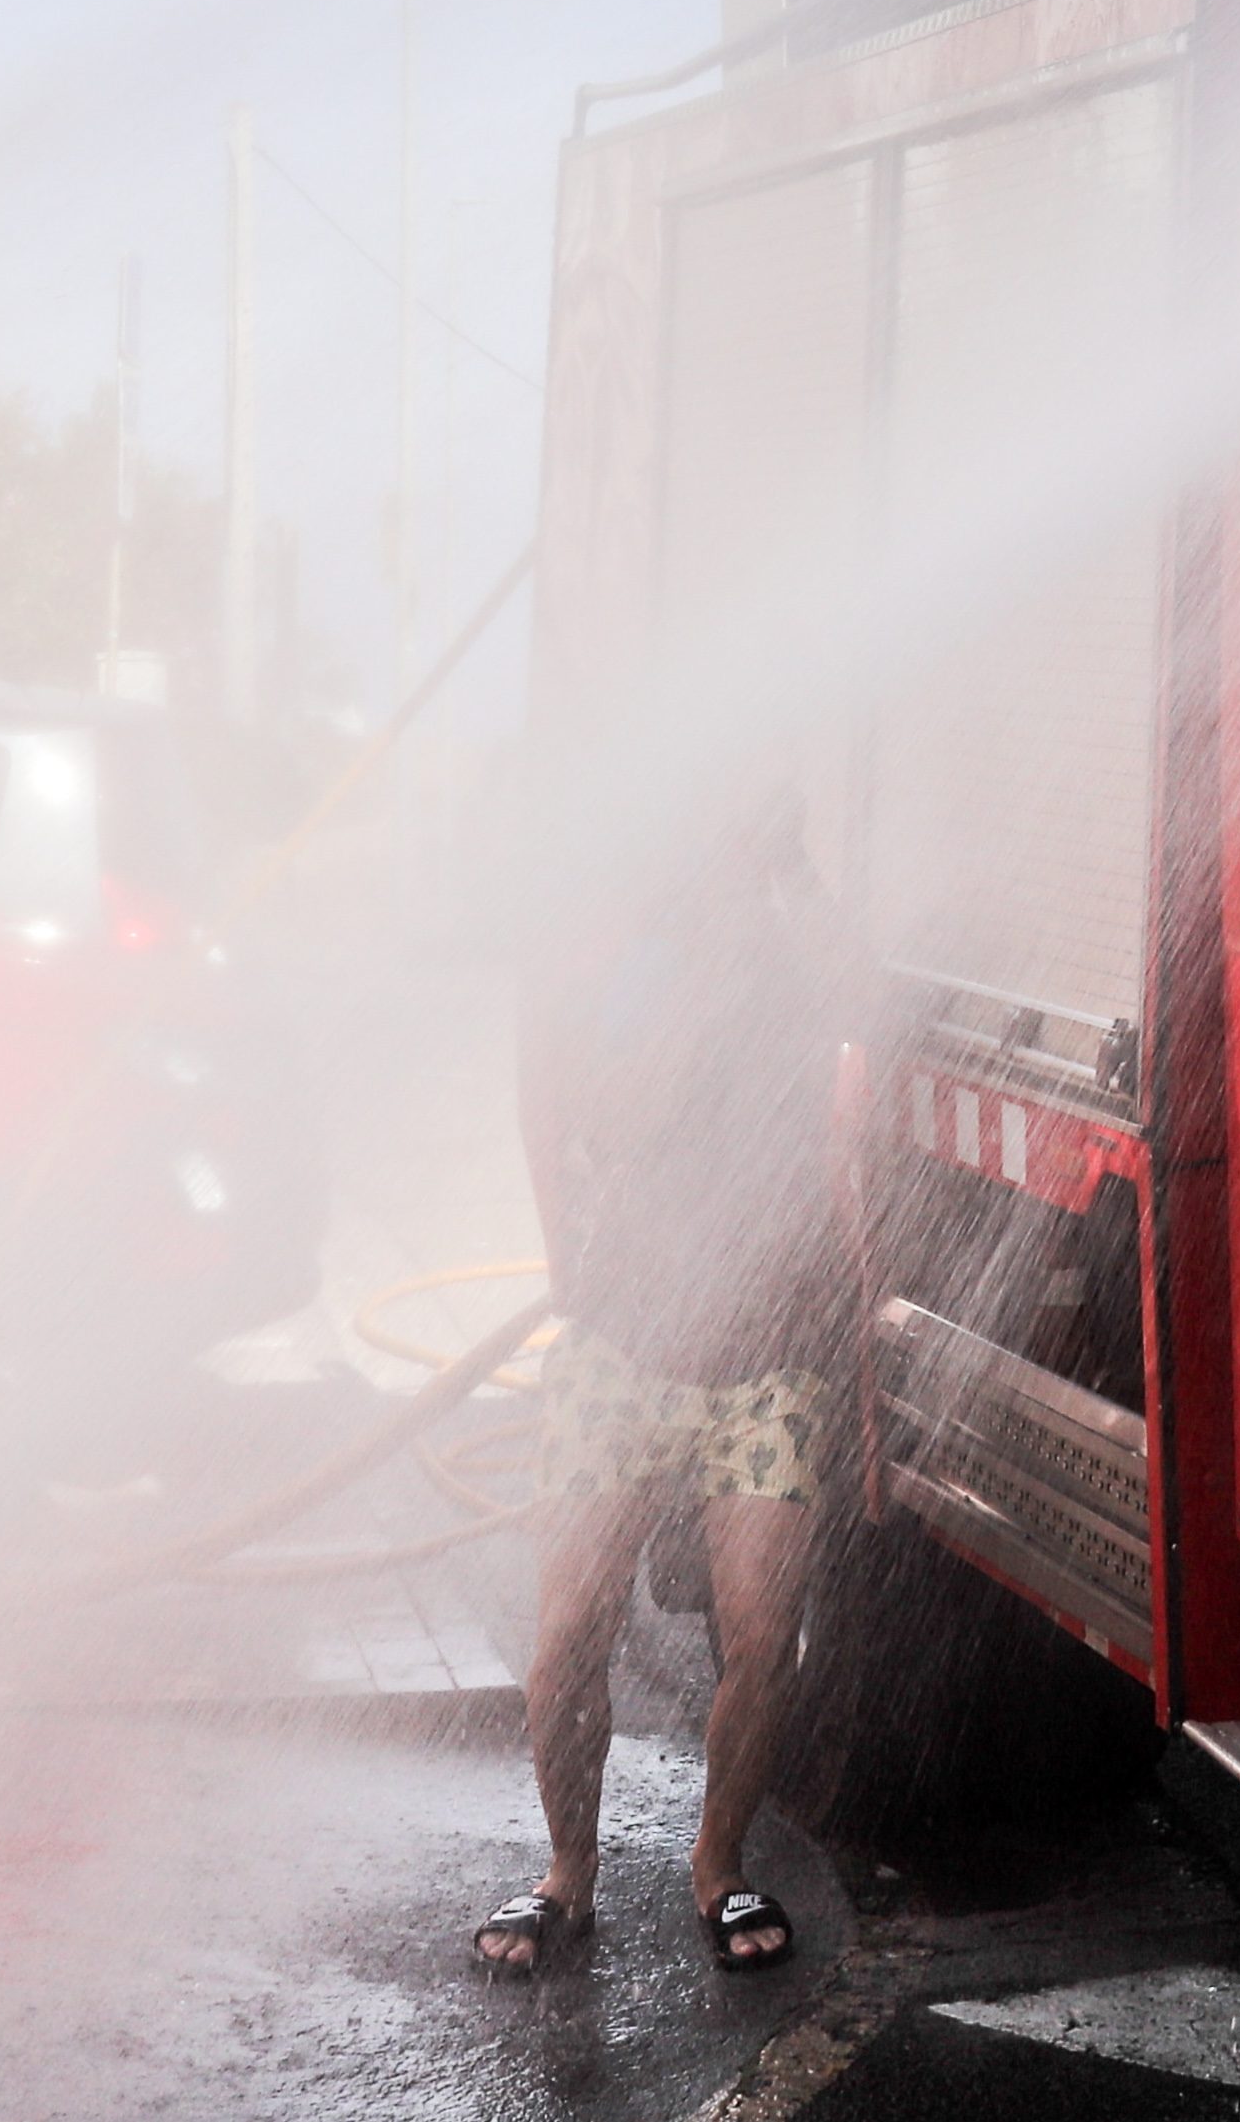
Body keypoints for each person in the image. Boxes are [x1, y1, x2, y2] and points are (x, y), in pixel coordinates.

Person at [472, 773, 838, 1979]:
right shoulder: (638, 956)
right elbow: (599, 1106)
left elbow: (857, 1081)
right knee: (568, 1629)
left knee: (764, 1633)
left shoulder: (798, 949)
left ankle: (718, 1864)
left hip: (765, 1360)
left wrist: (785, 892)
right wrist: (692, 986)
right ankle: (566, 1873)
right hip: (623, 1346)